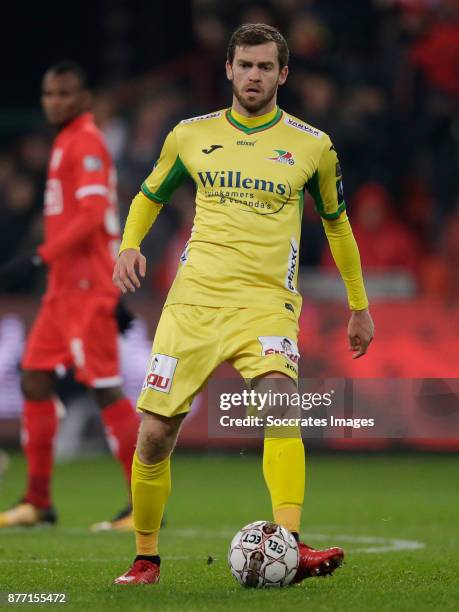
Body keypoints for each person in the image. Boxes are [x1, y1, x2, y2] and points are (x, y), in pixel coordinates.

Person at [113, 24, 374, 585]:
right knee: (155, 434)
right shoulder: (189, 135)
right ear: (228, 70)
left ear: (283, 74)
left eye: (264, 67)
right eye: (244, 65)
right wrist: (129, 246)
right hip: (193, 304)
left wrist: (359, 305)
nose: (253, 76)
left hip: (266, 305)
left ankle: (292, 545)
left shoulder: (313, 145)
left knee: (282, 406)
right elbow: (147, 195)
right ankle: (145, 558)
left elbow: (338, 225)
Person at [0, 61, 139, 531]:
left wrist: (41, 256)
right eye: (48, 94)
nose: (54, 102)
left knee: (105, 389)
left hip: (83, 290)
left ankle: (143, 504)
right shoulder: (65, 142)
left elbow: (94, 215)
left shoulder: (87, 142)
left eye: (64, 94)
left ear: (83, 98)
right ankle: (38, 502)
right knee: (35, 380)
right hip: (62, 293)